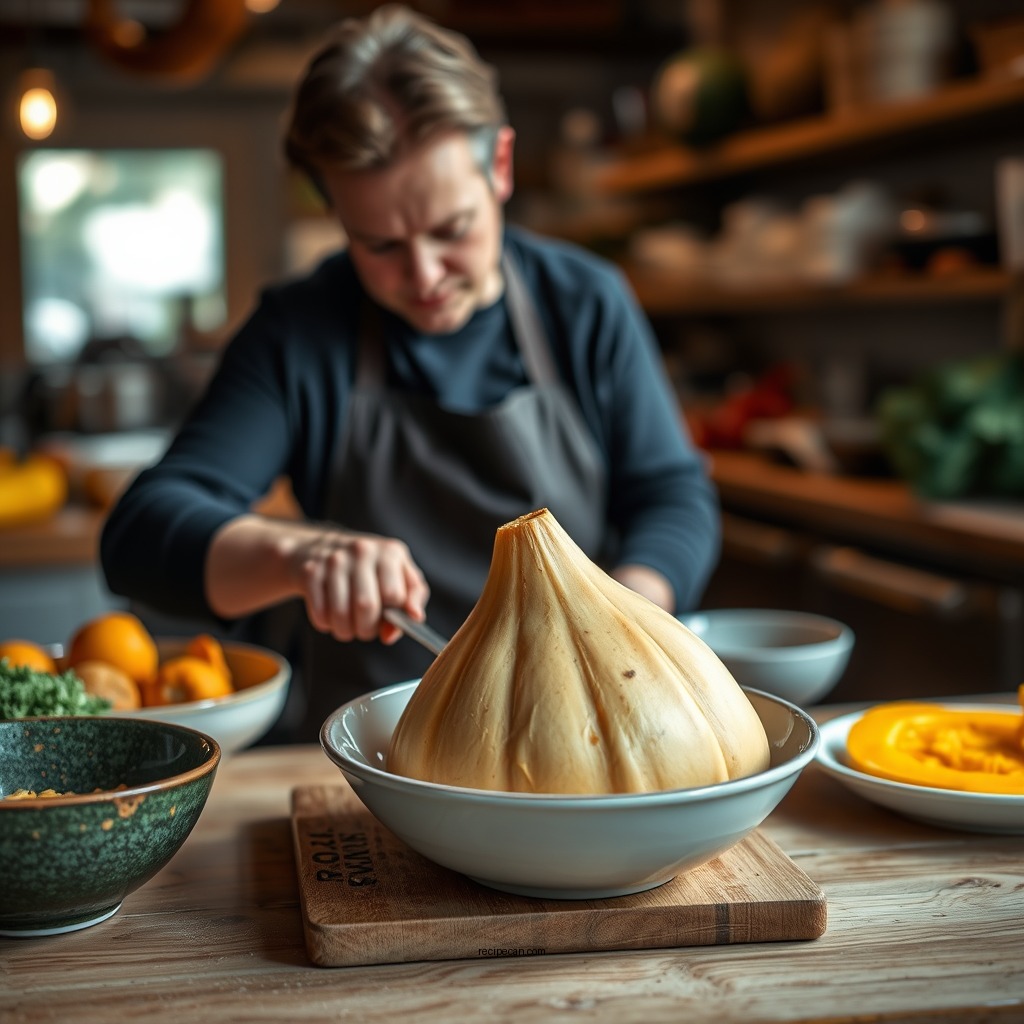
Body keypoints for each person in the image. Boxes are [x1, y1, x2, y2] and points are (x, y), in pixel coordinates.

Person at [100, 3, 721, 742]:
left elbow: (673, 494)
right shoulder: (300, 333)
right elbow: (140, 534)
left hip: (574, 736)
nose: (424, 275)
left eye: (451, 230)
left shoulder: (584, 303)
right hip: (379, 747)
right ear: (335, 210)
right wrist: (300, 554)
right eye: (380, 244)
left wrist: (622, 620)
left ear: (499, 166)